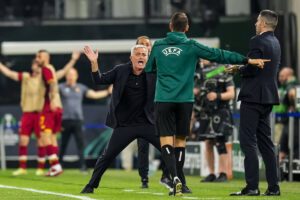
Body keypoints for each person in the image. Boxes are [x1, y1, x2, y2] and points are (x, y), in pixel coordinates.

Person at [145, 12, 267, 196]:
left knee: (166, 142)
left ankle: (174, 179)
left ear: (170, 27)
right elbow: (219, 54)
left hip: (163, 99)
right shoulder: (192, 45)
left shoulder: (159, 45)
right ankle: (179, 180)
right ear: (187, 28)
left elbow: (149, 68)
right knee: (180, 142)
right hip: (184, 101)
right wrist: (247, 60)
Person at [80, 44, 172, 194]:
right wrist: (94, 62)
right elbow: (99, 80)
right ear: (131, 58)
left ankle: (174, 182)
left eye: (144, 54)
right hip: (125, 125)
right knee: (107, 155)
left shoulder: (154, 72)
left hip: (148, 123)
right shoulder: (120, 70)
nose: (141, 57)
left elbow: (172, 81)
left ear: (148, 58)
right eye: (138, 54)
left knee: (169, 150)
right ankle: (90, 185)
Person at [226, 10, 281, 196]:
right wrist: (244, 67)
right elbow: (263, 67)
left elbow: (254, 66)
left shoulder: (256, 40)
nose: (255, 24)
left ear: (264, 24)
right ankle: (274, 187)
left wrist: (238, 69)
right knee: (266, 144)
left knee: (247, 142)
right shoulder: (276, 42)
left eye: (257, 21)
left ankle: (252, 187)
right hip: (268, 98)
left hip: (253, 97)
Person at [35, 50, 80, 176]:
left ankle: (55, 166)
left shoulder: (45, 69)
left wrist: (53, 99)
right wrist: (73, 60)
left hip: (49, 107)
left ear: (46, 58)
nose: (37, 58)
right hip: (58, 109)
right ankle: (55, 166)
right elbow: (63, 72)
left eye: (39, 56)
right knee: (53, 138)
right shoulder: (51, 69)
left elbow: (53, 84)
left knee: (45, 137)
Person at [135, 35, 173, 189]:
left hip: (160, 108)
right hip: (142, 111)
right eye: (141, 44)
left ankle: (165, 175)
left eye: (147, 44)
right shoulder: (133, 66)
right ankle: (144, 178)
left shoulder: (160, 63)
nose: (145, 46)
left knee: (166, 142)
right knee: (143, 146)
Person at [58, 68, 111, 172]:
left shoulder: (81, 88)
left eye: (73, 74)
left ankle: (82, 166)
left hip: (78, 120)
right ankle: (59, 166)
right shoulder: (60, 87)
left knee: (80, 144)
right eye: (69, 74)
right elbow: (51, 94)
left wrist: (108, 91)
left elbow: (94, 95)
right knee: (63, 144)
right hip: (64, 120)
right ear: (66, 76)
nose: (71, 77)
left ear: (76, 76)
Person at [0, 60, 46, 176]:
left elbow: (60, 74)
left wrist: (73, 60)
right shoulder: (26, 77)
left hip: (40, 114)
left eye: (40, 66)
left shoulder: (46, 79)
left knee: (41, 142)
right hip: (27, 113)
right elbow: (9, 73)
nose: (37, 67)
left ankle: (40, 168)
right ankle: (22, 168)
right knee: (23, 141)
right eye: (36, 65)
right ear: (32, 66)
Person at [193, 59, 235, 183]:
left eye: (205, 56)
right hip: (205, 111)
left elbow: (231, 93)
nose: (202, 59)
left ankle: (223, 173)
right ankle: (211, 173)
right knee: (208, 142)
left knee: (220, 141)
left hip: (221, 111)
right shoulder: (199, 73)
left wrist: (217, 96)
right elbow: (195, 90)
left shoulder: (223, 70)